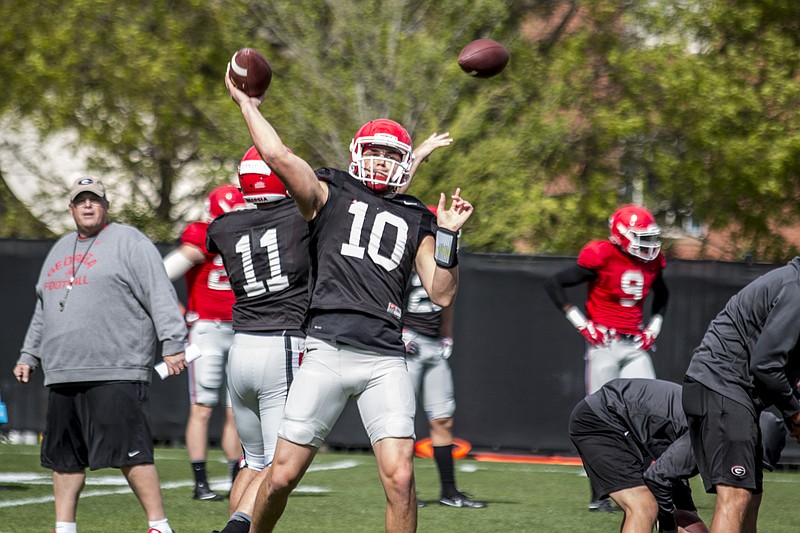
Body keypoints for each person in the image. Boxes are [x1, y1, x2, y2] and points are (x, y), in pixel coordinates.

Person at [225, 70, 474, 533]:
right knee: (280, 476)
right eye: (374, 152)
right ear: (358, 154)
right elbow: (277, 155)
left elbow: (441, 292)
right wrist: (247, 105)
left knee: (401, 479)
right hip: (326, 349)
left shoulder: (417, 214)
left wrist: (449, 238)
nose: (380, 162)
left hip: (383, 357)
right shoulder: (329, 189)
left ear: (403, 163)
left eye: (390, 155)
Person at [13, 177, 188, 533]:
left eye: (95, 200)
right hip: (63, 372)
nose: (88, 206)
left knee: (131, 453)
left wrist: (173, 344)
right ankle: (64, 527)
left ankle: (159, 526)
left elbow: (160, 294)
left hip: (117, 369)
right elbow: (43, 309)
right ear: (72, 208)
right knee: (64, 459)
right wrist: (28, 354)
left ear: (106, 206)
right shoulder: (60, 248)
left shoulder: (130, 242)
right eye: (81, 201)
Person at [208, 147, 309, 533]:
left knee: (253, 462)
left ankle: (232, 526)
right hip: (281, 344)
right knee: (277, 464)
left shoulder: (224, 225)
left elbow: (211, 240)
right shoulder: (299, 219)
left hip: (241, 346)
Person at [545, 204, 668, 512]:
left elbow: (663, 294)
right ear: (620, 236)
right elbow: (555, 283)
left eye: (650, 237)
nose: (648, 245)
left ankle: (653, 482)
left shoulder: (653, 263)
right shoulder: (601, 254)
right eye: (640, 237)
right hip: (606, 341)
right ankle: (599, 494)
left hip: (635, 345)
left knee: (652, 412)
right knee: (601, 417)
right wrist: (581, 323)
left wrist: (654, 325)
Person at [569, 378, 786, 533]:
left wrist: (687, 514)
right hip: (602, 417)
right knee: (643, 506)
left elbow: (674, 478)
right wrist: (671, 527)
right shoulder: (715, 430)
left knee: (647, 505)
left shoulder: (728, 422)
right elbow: (658, 477)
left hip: (626, 420)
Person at [682, 257, 800, 533]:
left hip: (726, 392)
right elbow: (765, 365)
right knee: (735, 496)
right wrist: (794, 411)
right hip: (722, 389)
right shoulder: (795, 289)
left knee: (750, 496)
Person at [162, 184, 245, 502]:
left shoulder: (248, 238)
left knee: (235, 410)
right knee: (202, 408)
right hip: (208, 331)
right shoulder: (201, 237)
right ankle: (200, 482)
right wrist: (183, 314)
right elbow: (160, 275)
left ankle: (237, 479)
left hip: (240, 331)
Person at [402, 212, 485, 509]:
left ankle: (449, 491)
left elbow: (447, 298)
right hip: (407, 341)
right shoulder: (408, 251)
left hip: (433, 345)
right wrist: (396, 330)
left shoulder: (447, 256)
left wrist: (446, 335)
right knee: (401, 420)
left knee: (442, 417)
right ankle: (405, 492)